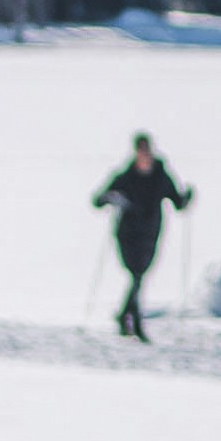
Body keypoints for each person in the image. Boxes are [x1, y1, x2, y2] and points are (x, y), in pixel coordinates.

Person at [94, 133, 193, 341]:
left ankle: (125, 316)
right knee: (136, 274)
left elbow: (177, 202)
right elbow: (98, 200)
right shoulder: (126, 176)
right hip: (127, 234)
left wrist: (187, 198)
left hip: (150, 233)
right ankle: (134, 321)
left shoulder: (161, 176)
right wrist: (112, 198)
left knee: (139, 275)